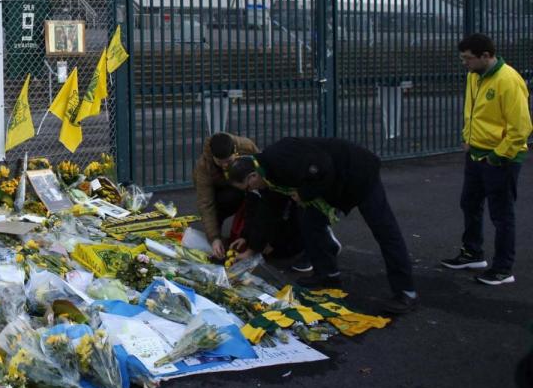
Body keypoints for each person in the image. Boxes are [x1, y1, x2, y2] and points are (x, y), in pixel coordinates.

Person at [228, 137, 418, 314]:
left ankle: (406, 291)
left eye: (248, 188)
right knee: (310, 223)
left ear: (253, 176)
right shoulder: (268, 175)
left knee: (384, 230)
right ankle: (328, 274)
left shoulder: (281, 159)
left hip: (358, 173)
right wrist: (253, 248)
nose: (251, 191)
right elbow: (269, 212)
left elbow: (324, 166)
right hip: (330, 184)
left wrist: (304, 194)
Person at [441, 34, 531, 285]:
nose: (464, 63)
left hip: (499, 158)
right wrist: (467, 138)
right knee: (469, 203)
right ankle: (472, 252)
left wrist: (498, 155)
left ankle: (503, 269)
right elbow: (472, 112)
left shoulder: (509, 80)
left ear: (486, 56)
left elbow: (521, 128)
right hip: (476, 152)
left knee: (501, 214)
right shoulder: (474, 76)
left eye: (468, 58)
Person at [193, 132, 260, 259]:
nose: (225, 165)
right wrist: (214, 238)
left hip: (246, 186)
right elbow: (206, 203)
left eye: (228, 161)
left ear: (235, 151)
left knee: (255, 202)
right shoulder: (203, 167)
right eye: (219, 162)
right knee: (225, 202)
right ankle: (219, 242)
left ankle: (251, 238)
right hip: (223, 193)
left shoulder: (247, 147)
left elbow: (261, 172)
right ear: (213, 156)